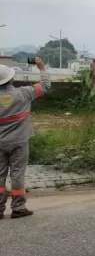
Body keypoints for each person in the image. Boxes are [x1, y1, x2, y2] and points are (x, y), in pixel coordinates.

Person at [0, 58, 49, 219]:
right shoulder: (24, 93)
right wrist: (41, 67)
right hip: (19, 142)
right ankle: (18, 207)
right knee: (17, 174)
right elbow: (45, 86)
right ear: (11, 79)